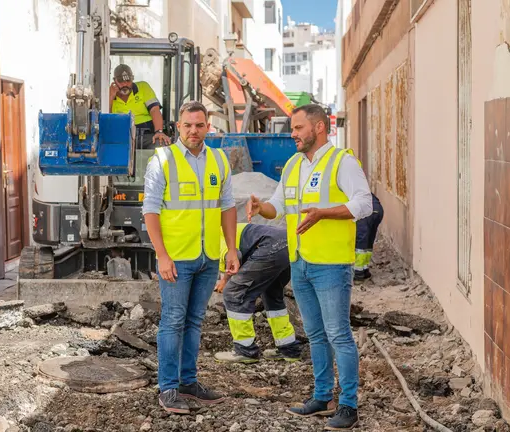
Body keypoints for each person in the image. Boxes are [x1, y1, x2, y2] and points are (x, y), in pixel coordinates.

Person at [246, 104, 372, 431]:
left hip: (330, 265)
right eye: (292, 128)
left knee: (338, 334)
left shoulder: (342, 162)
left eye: (298, 128)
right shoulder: (293, 165)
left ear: (318, 127)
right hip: (300, 263)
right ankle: (322, 397)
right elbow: (278, 205)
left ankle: (348, 405)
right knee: (315, 334)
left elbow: (364, 203)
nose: (292, 134)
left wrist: (324, 213)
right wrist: (262, 207)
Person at [143, 100, 240, 414]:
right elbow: (150, 211)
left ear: (208, 126)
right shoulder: (163, 160)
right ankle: (168, 388)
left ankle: (188, 382)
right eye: (188, 125)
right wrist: (162, 255)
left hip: (208, 256)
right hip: (177, 258)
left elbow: (227, 208)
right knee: (172, 322)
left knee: (194, 322)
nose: (194, 131)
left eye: (199, 125)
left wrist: (231, 249)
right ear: (178, 126)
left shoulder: (219, 160)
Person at [212, 222, 303, 364]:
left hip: (270, 245)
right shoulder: (223, 229)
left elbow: (235, 256)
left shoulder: (213, 237)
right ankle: (288, 348)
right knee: (272, 293)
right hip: (287, 243)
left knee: (234, 292)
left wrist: (225, 281)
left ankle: (245, 350)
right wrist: (224, 279)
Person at [110, 64, 171, 147]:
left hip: (146, 135)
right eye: (121, 81)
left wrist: (159, 132)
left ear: (133, 79)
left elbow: (154, 110)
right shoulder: (108, 93)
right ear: (114, 80)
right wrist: (110, 97)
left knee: (161, 143)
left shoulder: (143, 87)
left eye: (128, 81)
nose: (125, 84)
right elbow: (105, 116)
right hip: (121, 137)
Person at [354, 192, 384, 281]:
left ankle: (358, 272)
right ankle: (365, 269)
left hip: (366, 211)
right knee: (369, 239)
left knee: (361, 240)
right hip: (378, 210)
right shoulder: (360, 187)